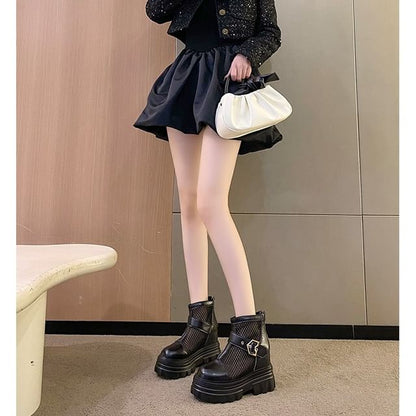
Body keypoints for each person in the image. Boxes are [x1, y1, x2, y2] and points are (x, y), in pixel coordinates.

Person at [133, 0, 282, 403]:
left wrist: (246, 55)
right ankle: (200, 327)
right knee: (190, 202)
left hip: (228, 81)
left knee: (212, 203)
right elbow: (156, 10)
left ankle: (251, 341)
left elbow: (270, 32)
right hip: (187, 78)